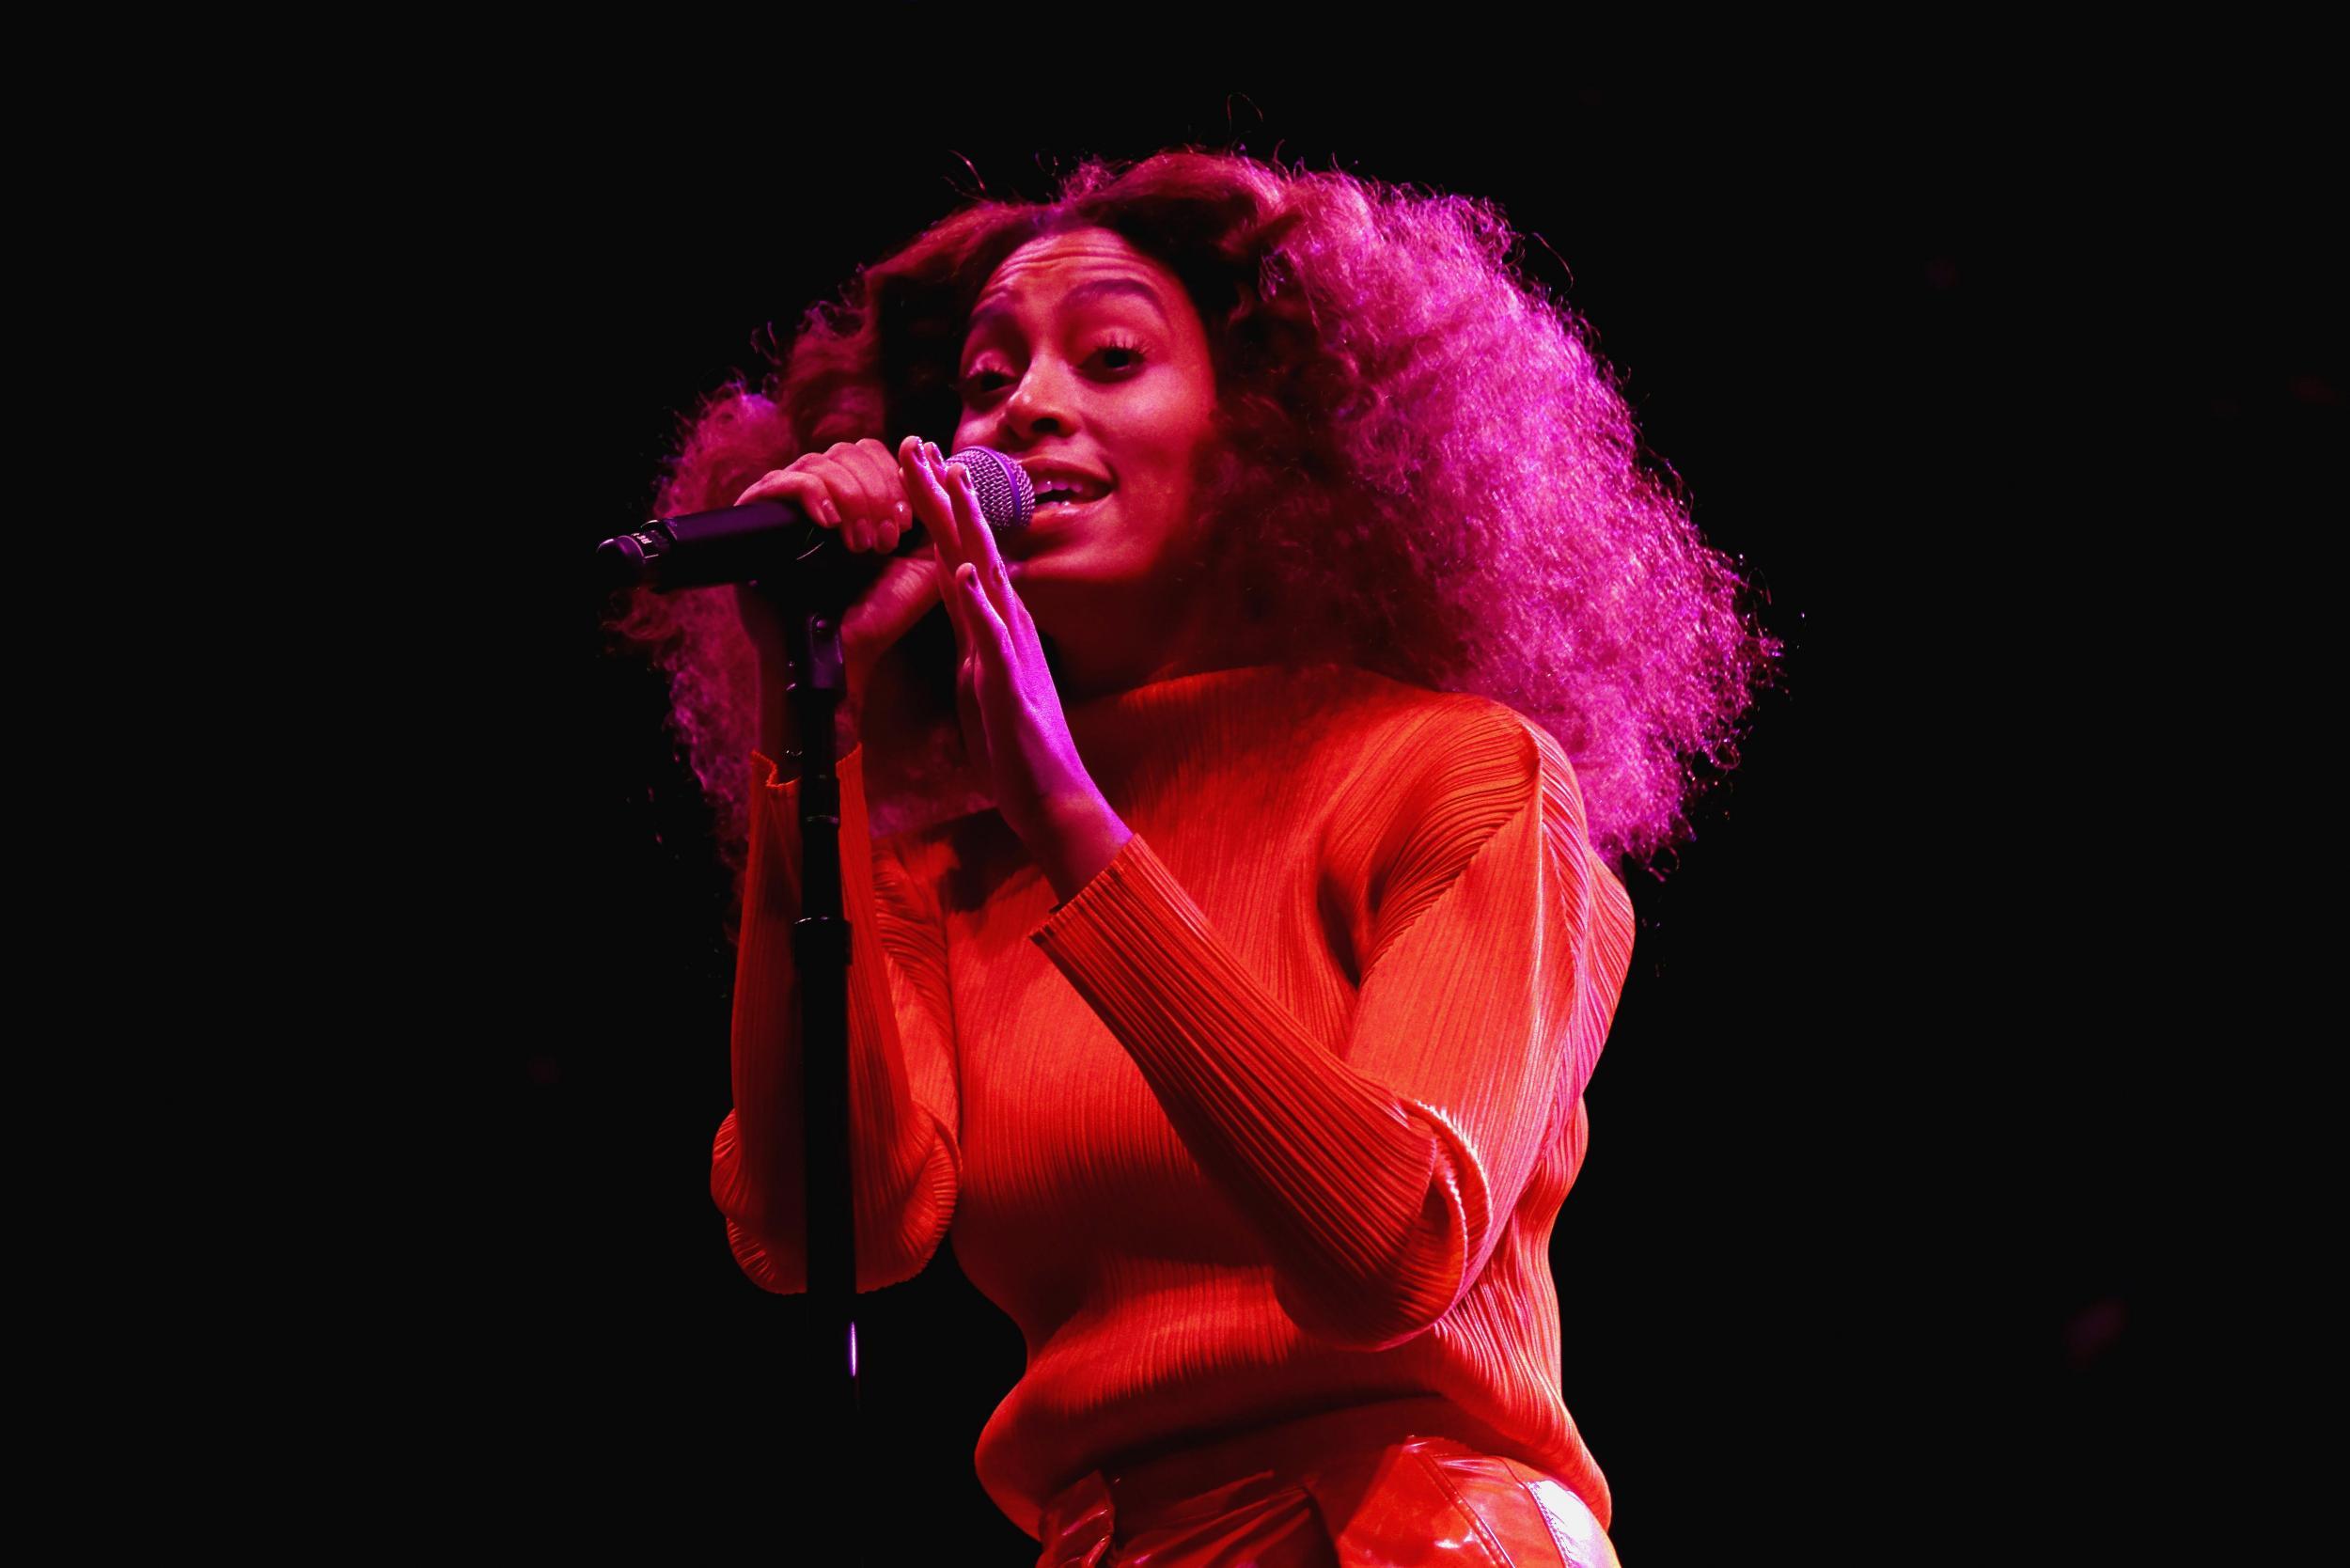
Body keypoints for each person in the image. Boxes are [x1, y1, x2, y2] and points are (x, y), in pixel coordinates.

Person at [616, 149, 1772, 1566]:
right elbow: (826, 1233)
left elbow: (1388, 1250)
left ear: (1273, 435)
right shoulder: (951, 872)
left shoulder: (1458, 777)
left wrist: (1075, 833)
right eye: (985, 383)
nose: (1027, 407)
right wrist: (821, 738)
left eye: (1111, 357)